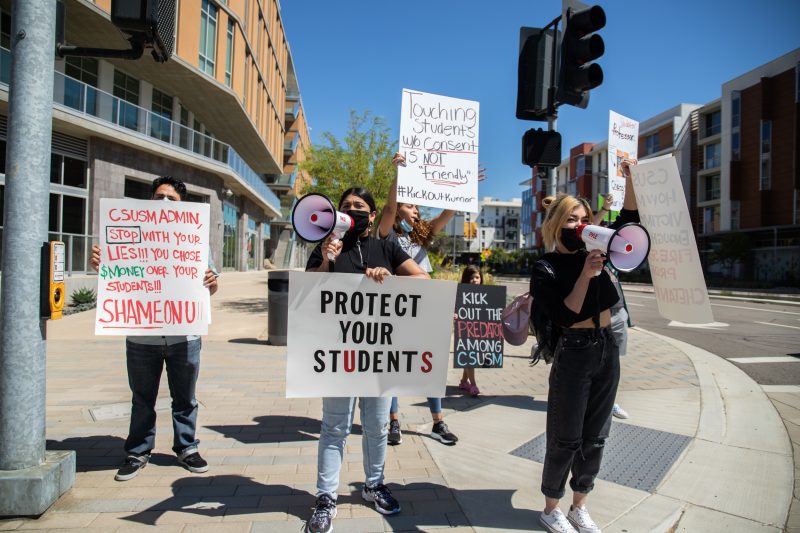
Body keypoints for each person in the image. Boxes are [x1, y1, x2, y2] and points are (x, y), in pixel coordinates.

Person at [304, 186, 429, 533]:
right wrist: (328, 259)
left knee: (376, 426)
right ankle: (326, 497)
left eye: (360, 207)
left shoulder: (384, 246)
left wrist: (388, 279)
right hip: (339, 354)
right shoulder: (325, 247)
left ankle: (374, 485)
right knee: (334, 428)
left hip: (379, 356)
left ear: (372, 216)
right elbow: (309, 292)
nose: (352, 210)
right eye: (346, 206)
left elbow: (423, 279)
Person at [532, 160, 639, 533]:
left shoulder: (597, 249)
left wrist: (631, 179)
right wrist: (586, 274)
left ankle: (580, 505)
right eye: (571, 219)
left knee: (596, 435)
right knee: (566, 436)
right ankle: (551, 507)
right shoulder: (545, 267)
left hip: (606, 346)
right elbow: (563, 316)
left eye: (583, 218)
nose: (579, 225)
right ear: (556, 224)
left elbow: (630, 221)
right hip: (574, 350)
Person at [90, 176, 219, 481]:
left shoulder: (195, 240)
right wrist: (103, 263)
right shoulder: (130, 234)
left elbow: (207, 287)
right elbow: (120, 277)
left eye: (171, 199)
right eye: (159, 196)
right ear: (149, 200)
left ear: (181, 206)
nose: (163, 202)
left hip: (184, 335)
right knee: (142, 398)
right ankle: (137, 451)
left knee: (185, 397)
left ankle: (187, 447)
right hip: (141, 337)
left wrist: (212, 284)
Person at [378, 152, 460, 446]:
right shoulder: (385, 234)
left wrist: (461, 188)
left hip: (425, 307)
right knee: (393, 363)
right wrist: (398, 175)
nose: (416, 210)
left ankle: (438, 421)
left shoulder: (423, 235)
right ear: (398, 207)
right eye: (410, 205)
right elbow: (387, 208)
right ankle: (394, 421)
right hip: (398, 308)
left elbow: (446, 215)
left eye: (417, 205)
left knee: (432, 363)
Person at [593, 194, 630, 420]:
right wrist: (605, 209)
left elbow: (627, 224)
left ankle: (610, 400)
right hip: (598, 316)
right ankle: (598, 399)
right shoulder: (590, 251)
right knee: (598, 359)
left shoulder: (613, 254)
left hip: (618, 313)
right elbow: (587, 229)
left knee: (614, 362)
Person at [458, 264, 483, 397]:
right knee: (469, 356)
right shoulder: (461, 293)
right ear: (466, 279)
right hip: (464, 329)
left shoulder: (484, 294)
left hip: (478, 330)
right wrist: (455, 314)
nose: (475, 280)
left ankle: (463, 381)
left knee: (470, 355)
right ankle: (473, 384)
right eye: (471, 278)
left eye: (477, 277)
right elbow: (456, 308)